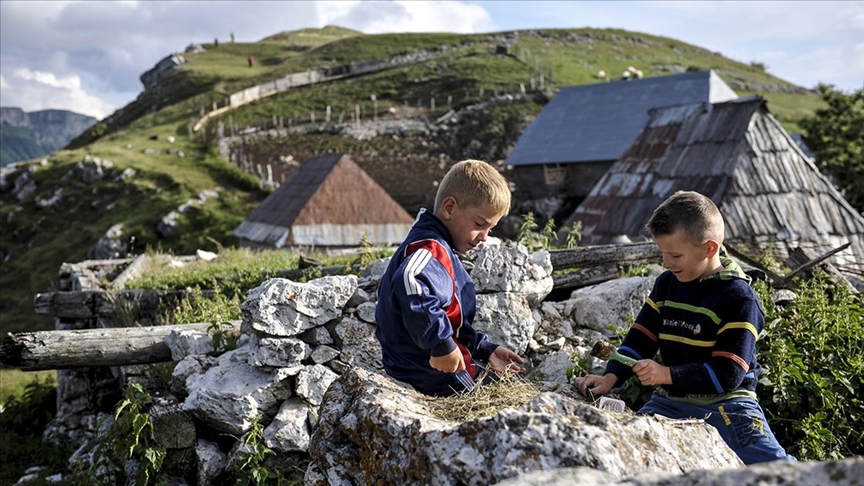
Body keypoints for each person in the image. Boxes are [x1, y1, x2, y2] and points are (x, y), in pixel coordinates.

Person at [573, 190, 795, 465]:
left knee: (776, 468)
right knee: (623, 451)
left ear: (709, 248)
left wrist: (665, 374)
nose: (666, 263)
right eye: (663, 253)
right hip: (669, 402)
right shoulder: (667, 284)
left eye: (675, 255)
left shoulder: (739, 299)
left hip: (729, 405)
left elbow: (728, 374)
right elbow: (641, 336)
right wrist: (610, 378)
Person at [375, 159, 525, 396]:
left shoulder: (442, 248)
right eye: (479, 224)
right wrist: (440, 344)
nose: (484, 236)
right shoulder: (429, 248)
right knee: (488, 402)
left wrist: (484, 349)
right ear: (449, 208)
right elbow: (410, 281)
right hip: (429, 373)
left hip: (433, 369)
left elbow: (448, 315)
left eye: (490, 229)